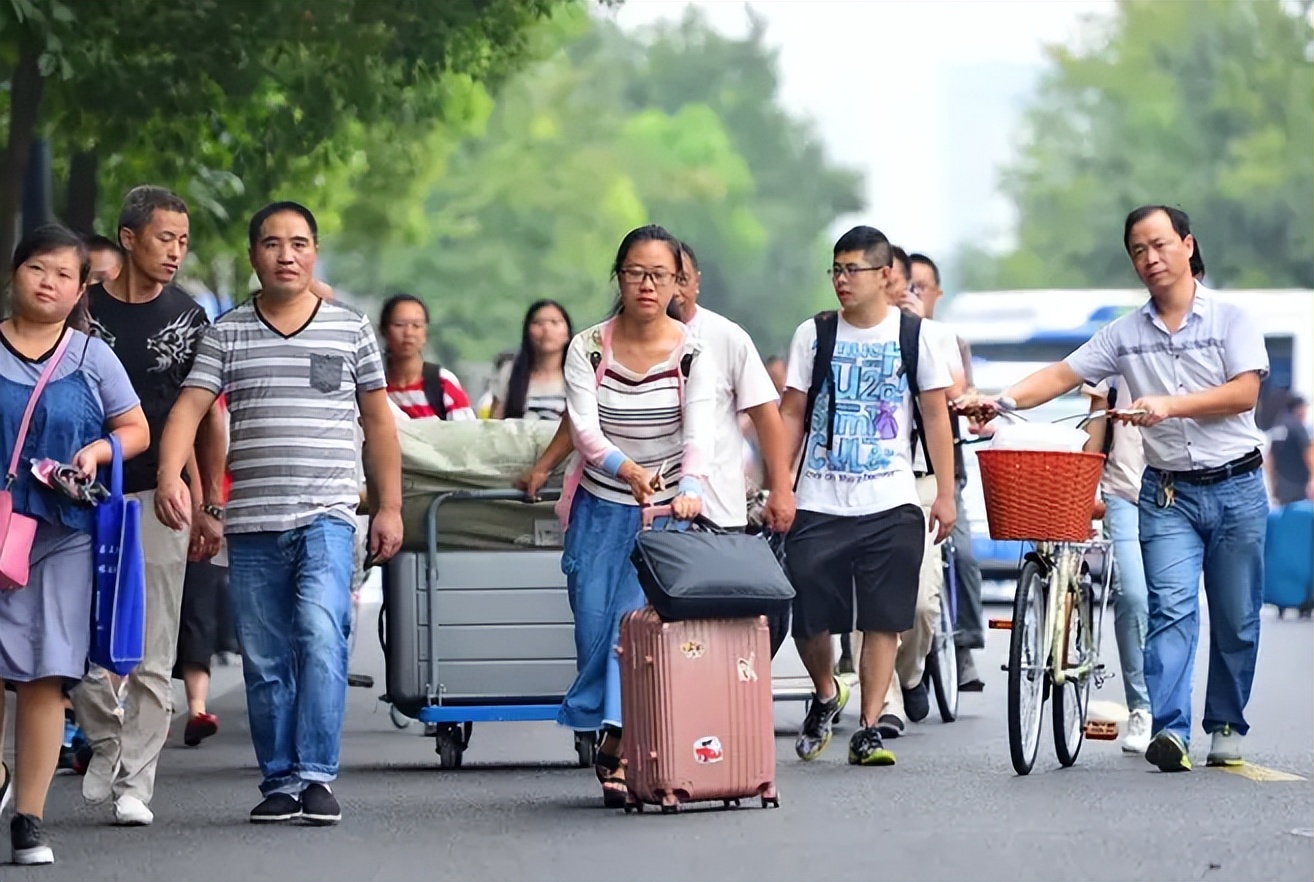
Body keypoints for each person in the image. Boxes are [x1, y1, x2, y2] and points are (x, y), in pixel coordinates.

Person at [956, 205, 1270, 773]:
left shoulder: (1231, 320)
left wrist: (1170, 406)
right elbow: (1062, 375)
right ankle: (1170, 730)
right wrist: (999, 400)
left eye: (1159, 245)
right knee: (1167, 608)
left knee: (1235, 616)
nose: (1149, 259)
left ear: (1188, 245)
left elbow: (1244, 393)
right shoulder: (1123, 335)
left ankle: (1225, 721)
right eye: (1137, 250)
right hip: (1167, 494)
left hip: (1236, 486)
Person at [154, 201, 404, 824]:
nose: (286, 254)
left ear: (314, 251)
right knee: (266, 660)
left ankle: (317, 774)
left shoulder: (349, 329)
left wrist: (391, 507)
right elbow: (189, 409)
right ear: (253, 256)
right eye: (272, 243)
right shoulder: (228, 332)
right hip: (253, 524)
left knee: (321, 634)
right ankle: (280, 780)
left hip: (326, 516)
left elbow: (378, 424)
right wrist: (171, 478)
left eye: (298, 243)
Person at [73, 186, 226, 828]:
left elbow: (208, 416)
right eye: (165, 237)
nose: (175, 251)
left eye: (183, 241)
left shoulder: (190, 318)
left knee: (154, 644)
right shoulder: (80, 315)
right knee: (75, 643)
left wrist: (210, 500)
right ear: (129, 238)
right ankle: (108, 741)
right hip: (81, 494)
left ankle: (137, 780)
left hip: (162, 494)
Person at [780, 225, 956, 767]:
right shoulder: (814, 335)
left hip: (893, 498)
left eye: (851, 269)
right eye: (835, 269)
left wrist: (945, 494)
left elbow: (934, 416)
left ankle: (871, 724)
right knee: (808, 612)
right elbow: (792, 411)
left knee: (885, 618)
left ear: (885, 276)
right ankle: (827, 692)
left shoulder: (917, 337)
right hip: (818, 497)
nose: (840, 280)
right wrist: (780, 484)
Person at [0, 225, 149, 864]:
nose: (48, 283)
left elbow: (136, 427)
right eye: (37, 269)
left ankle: (28, 820)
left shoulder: (92, 358)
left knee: (42, 676)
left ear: (80, 287)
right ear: (15, 273)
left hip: (61, 534)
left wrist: (99, 450)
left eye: (64, 275)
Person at [553, 225, 711, 807]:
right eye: (634, 273)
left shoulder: (694, 351)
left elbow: (699, 434)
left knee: (630, 627)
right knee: (594, 629)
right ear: (618, 277)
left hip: (665, 511)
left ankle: (619, 743)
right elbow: (585, 431)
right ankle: (605, 723)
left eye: (659, 275)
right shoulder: (588, 347)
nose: (646, 285)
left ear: (677, 282)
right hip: (601, 506)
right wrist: (626, 470)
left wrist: (690, 486)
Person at [909, 252, 987, 692]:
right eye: (907, 287)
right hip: (903, 471)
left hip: (945, 471)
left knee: (963, 554)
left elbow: (963, 394)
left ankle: (965, 646)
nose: (912, 296)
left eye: (921, 288)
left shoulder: (947, 340)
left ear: (936, 294)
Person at [1082, 379, 1152, 753]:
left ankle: (1173, 713)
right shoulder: (1115, 345)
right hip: (1122, 491)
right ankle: (1142, 708)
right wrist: (1086, 491)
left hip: (1180, 490)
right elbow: (1096, 420)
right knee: (1133, 596)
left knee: (1171, 603)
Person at [378, 293, 475, 421]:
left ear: (425, 333)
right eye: (399, 325)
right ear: (383, 331)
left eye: (416, 325)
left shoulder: (443, 384)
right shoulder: (375, 388)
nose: (408, 333)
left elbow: (466, 435)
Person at [490, 300, 572, 421]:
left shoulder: (580, 374)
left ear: (568, 333)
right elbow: (495, 423)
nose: (546, 329)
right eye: (538, 323)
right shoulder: (509, 373)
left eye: (554, 322)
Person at [1266, 395, 1313, 506]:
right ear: (1299, 409)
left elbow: (1269, 458)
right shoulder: (1297, 427)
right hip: (1300, 484)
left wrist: (1273, 482)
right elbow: (1309, 452)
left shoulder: (1277, 426)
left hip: (1282, 486)